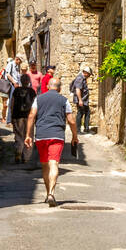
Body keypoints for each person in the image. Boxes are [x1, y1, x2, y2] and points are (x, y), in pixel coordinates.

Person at [24, 76, 78, 206]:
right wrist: (75, 136)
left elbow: (31, 115)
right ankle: (51, 194)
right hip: (57, 135)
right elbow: (71, 120)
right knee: (54, 164)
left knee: (44, 165)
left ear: (48, 86)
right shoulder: (64, 100)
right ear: (59, 89)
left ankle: (48, 192)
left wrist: (28, 135)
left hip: (41, 135)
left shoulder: (39, 98)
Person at [9, 73, 35, 164]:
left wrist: (11, 115)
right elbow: (34, 106)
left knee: (19, 135)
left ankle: (18, 151)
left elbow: (12, 104)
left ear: (21, 81)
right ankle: (26, 157)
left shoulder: (16, 91)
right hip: (28, 116)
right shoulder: (32, 92)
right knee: (29, 135)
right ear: (28, 82)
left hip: (17, 115)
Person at [71, 64, 92, 134]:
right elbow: (77, 89)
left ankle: (86, 128)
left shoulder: (83, 78)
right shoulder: (80, 78)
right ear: (85, 72)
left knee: (87, 112)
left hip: (83, 100)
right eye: (89, 74)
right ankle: (78, 130)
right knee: (80, 113)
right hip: (81, 100)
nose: (89, 76)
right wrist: (80, 100)